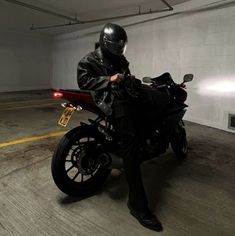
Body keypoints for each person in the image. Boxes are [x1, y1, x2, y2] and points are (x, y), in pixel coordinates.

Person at [77, 23, 171, 232]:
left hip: (126, 95)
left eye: (121, 46)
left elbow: (126, 77)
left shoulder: (120, 59)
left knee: (163, 100)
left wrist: (132, 81)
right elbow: (83, 81)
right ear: (104, 42)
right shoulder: (89, 60)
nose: (119, 50)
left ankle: (148, 135)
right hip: (110, 101)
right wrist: (109, 79)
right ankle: (137, 206)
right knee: (130, 148)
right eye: (116, 46)